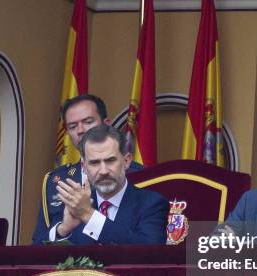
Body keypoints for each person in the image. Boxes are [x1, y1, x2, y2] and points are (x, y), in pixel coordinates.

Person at [33, 124, 168, 245]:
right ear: (84, 167)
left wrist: (88, 215)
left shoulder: (152, 204)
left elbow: (149, 254)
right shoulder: (75, 203)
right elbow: (34, 257)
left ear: (126, 161)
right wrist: (63, 230)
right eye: (94, 163)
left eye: (110, 161)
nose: (103, 171)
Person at [33, 94, 142, 242]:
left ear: (107, 124)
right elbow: (37, 244)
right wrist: (61, 231)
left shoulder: (141, 174)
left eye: (88, 122)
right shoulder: (56, 181)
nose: (80, 130)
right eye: (72, 126)